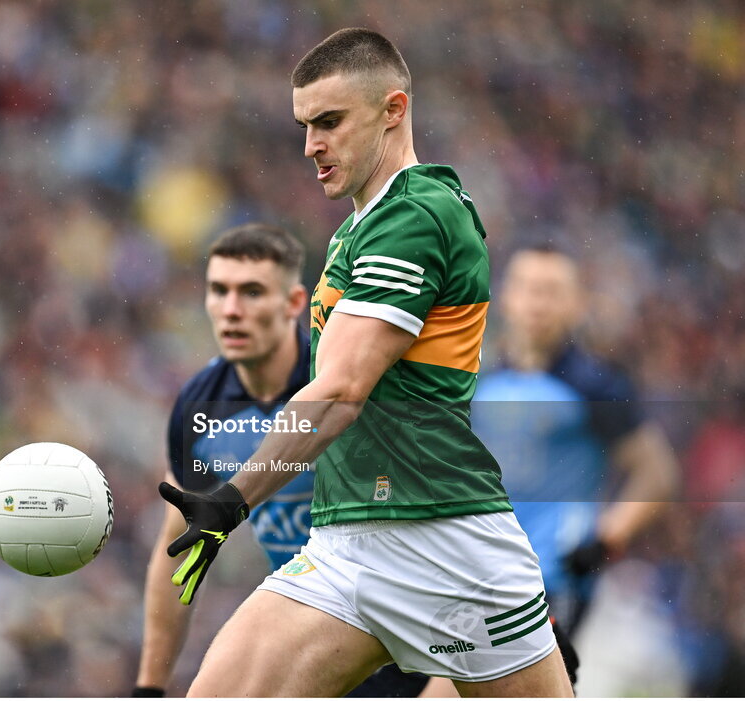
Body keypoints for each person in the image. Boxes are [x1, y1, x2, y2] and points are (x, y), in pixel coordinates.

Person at [158, 28, 574, 696]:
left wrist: (233, 499)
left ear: (393, 110)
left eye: (328, 122)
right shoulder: (359, 225)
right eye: (303, 126)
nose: (310, 146)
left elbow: (342, 389)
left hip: (449, 548)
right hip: (347, 542)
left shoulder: (416, 215)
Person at [133, 223, 430, 697]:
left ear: (294, 304)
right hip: (314, 618)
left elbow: (448, 504)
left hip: (415, 626)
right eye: (219, 291)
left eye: (252, 292)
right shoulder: (200, 408)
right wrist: (148, 688)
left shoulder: (345, 384)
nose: (231, 310)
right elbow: (177, 551)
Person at [471, 244, 679, 636]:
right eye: (528, 289)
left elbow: (657, 472)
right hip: (481, 572)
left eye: (552, 292)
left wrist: (607, 538)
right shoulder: (480, 377)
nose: (538, 304)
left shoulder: (596, 385)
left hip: (554, 582)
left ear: (577, 303)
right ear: (507, 297)